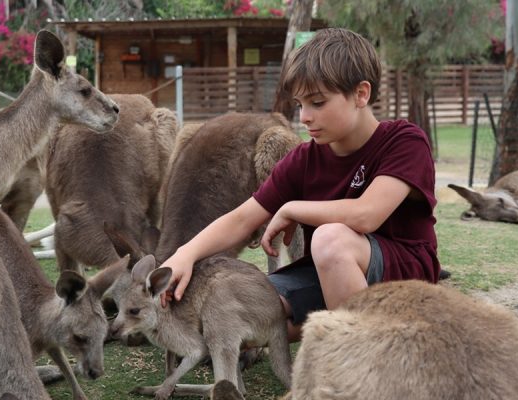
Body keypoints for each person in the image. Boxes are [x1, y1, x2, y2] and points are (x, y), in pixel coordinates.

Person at [160, 27, 440, 342]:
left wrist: (293, 208)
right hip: (325, 275)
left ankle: (360, 358)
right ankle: (338, 330)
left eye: (317, 103)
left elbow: (366, 215)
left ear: (361, 94)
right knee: (231, 307)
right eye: (300, 105)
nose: (305, 117)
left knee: (330, 239)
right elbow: (243, 218)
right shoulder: (305, 159)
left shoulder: (403, 141)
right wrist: (185, 253)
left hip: (401, 277)